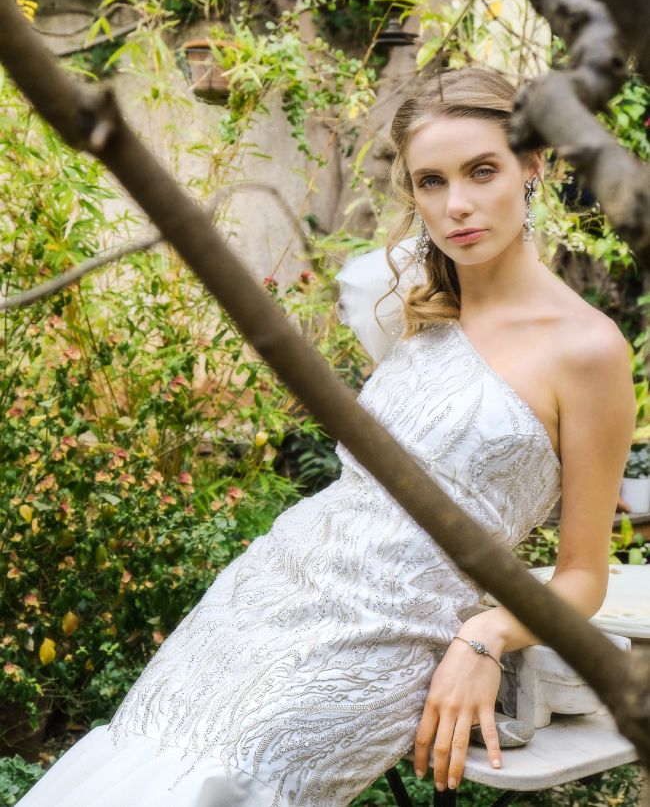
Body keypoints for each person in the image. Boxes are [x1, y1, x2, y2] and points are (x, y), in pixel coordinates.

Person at [17, 66, 635, 807]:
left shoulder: (588, 352)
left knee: (228, 778)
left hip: (380, 641)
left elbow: (583, 578)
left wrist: (486, 638)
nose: (457, 205)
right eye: (431, 182)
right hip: (265, 594)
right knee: (141, 754)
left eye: (481, 171)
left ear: (533, 164)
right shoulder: (407, 294)